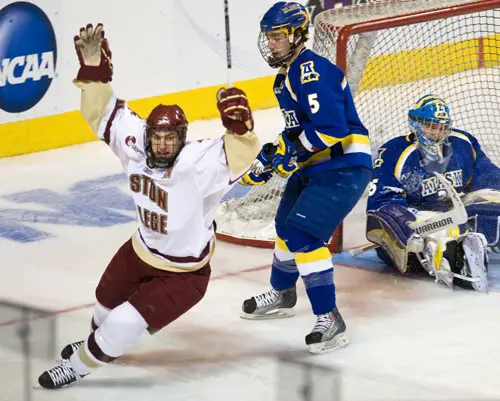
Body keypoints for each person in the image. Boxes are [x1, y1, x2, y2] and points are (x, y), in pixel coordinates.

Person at [37, 23, 260, 389]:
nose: (162, 144)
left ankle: (78, 366)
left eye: (170, 138)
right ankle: (99, 344)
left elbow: (238, 155)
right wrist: (93, 67)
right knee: (104, 302)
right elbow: (102, 114)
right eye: (157, 137)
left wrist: (240, 129)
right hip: (141, 249)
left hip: (184, 273)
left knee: (125, 321)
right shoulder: (135, 145)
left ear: (182, 138)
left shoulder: (196, 164)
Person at [238, 2, 372, 354]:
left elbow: (331, 128)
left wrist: (291, 152)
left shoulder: (309, 70)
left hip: (344, 164)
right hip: (317, 164)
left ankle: (330, 317)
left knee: (303, 233)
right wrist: (275, 153)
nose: (272, 43)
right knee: (284, 225)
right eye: (268, 36)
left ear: (298, 35)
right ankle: (283, 294)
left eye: (278, 36)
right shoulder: (285, 76)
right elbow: (300, 131)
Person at [366, 94, 500, 292]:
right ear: (416, 124)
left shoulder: (463, 143)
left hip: (457, 211)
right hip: (419, 220)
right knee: (441, 235)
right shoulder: (395, 152)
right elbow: (382, 202)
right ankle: (459, 263)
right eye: (430, 126)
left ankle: (468, 246)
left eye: (442, 127)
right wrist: (405, 226)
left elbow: (487, 176)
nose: (437, 133)